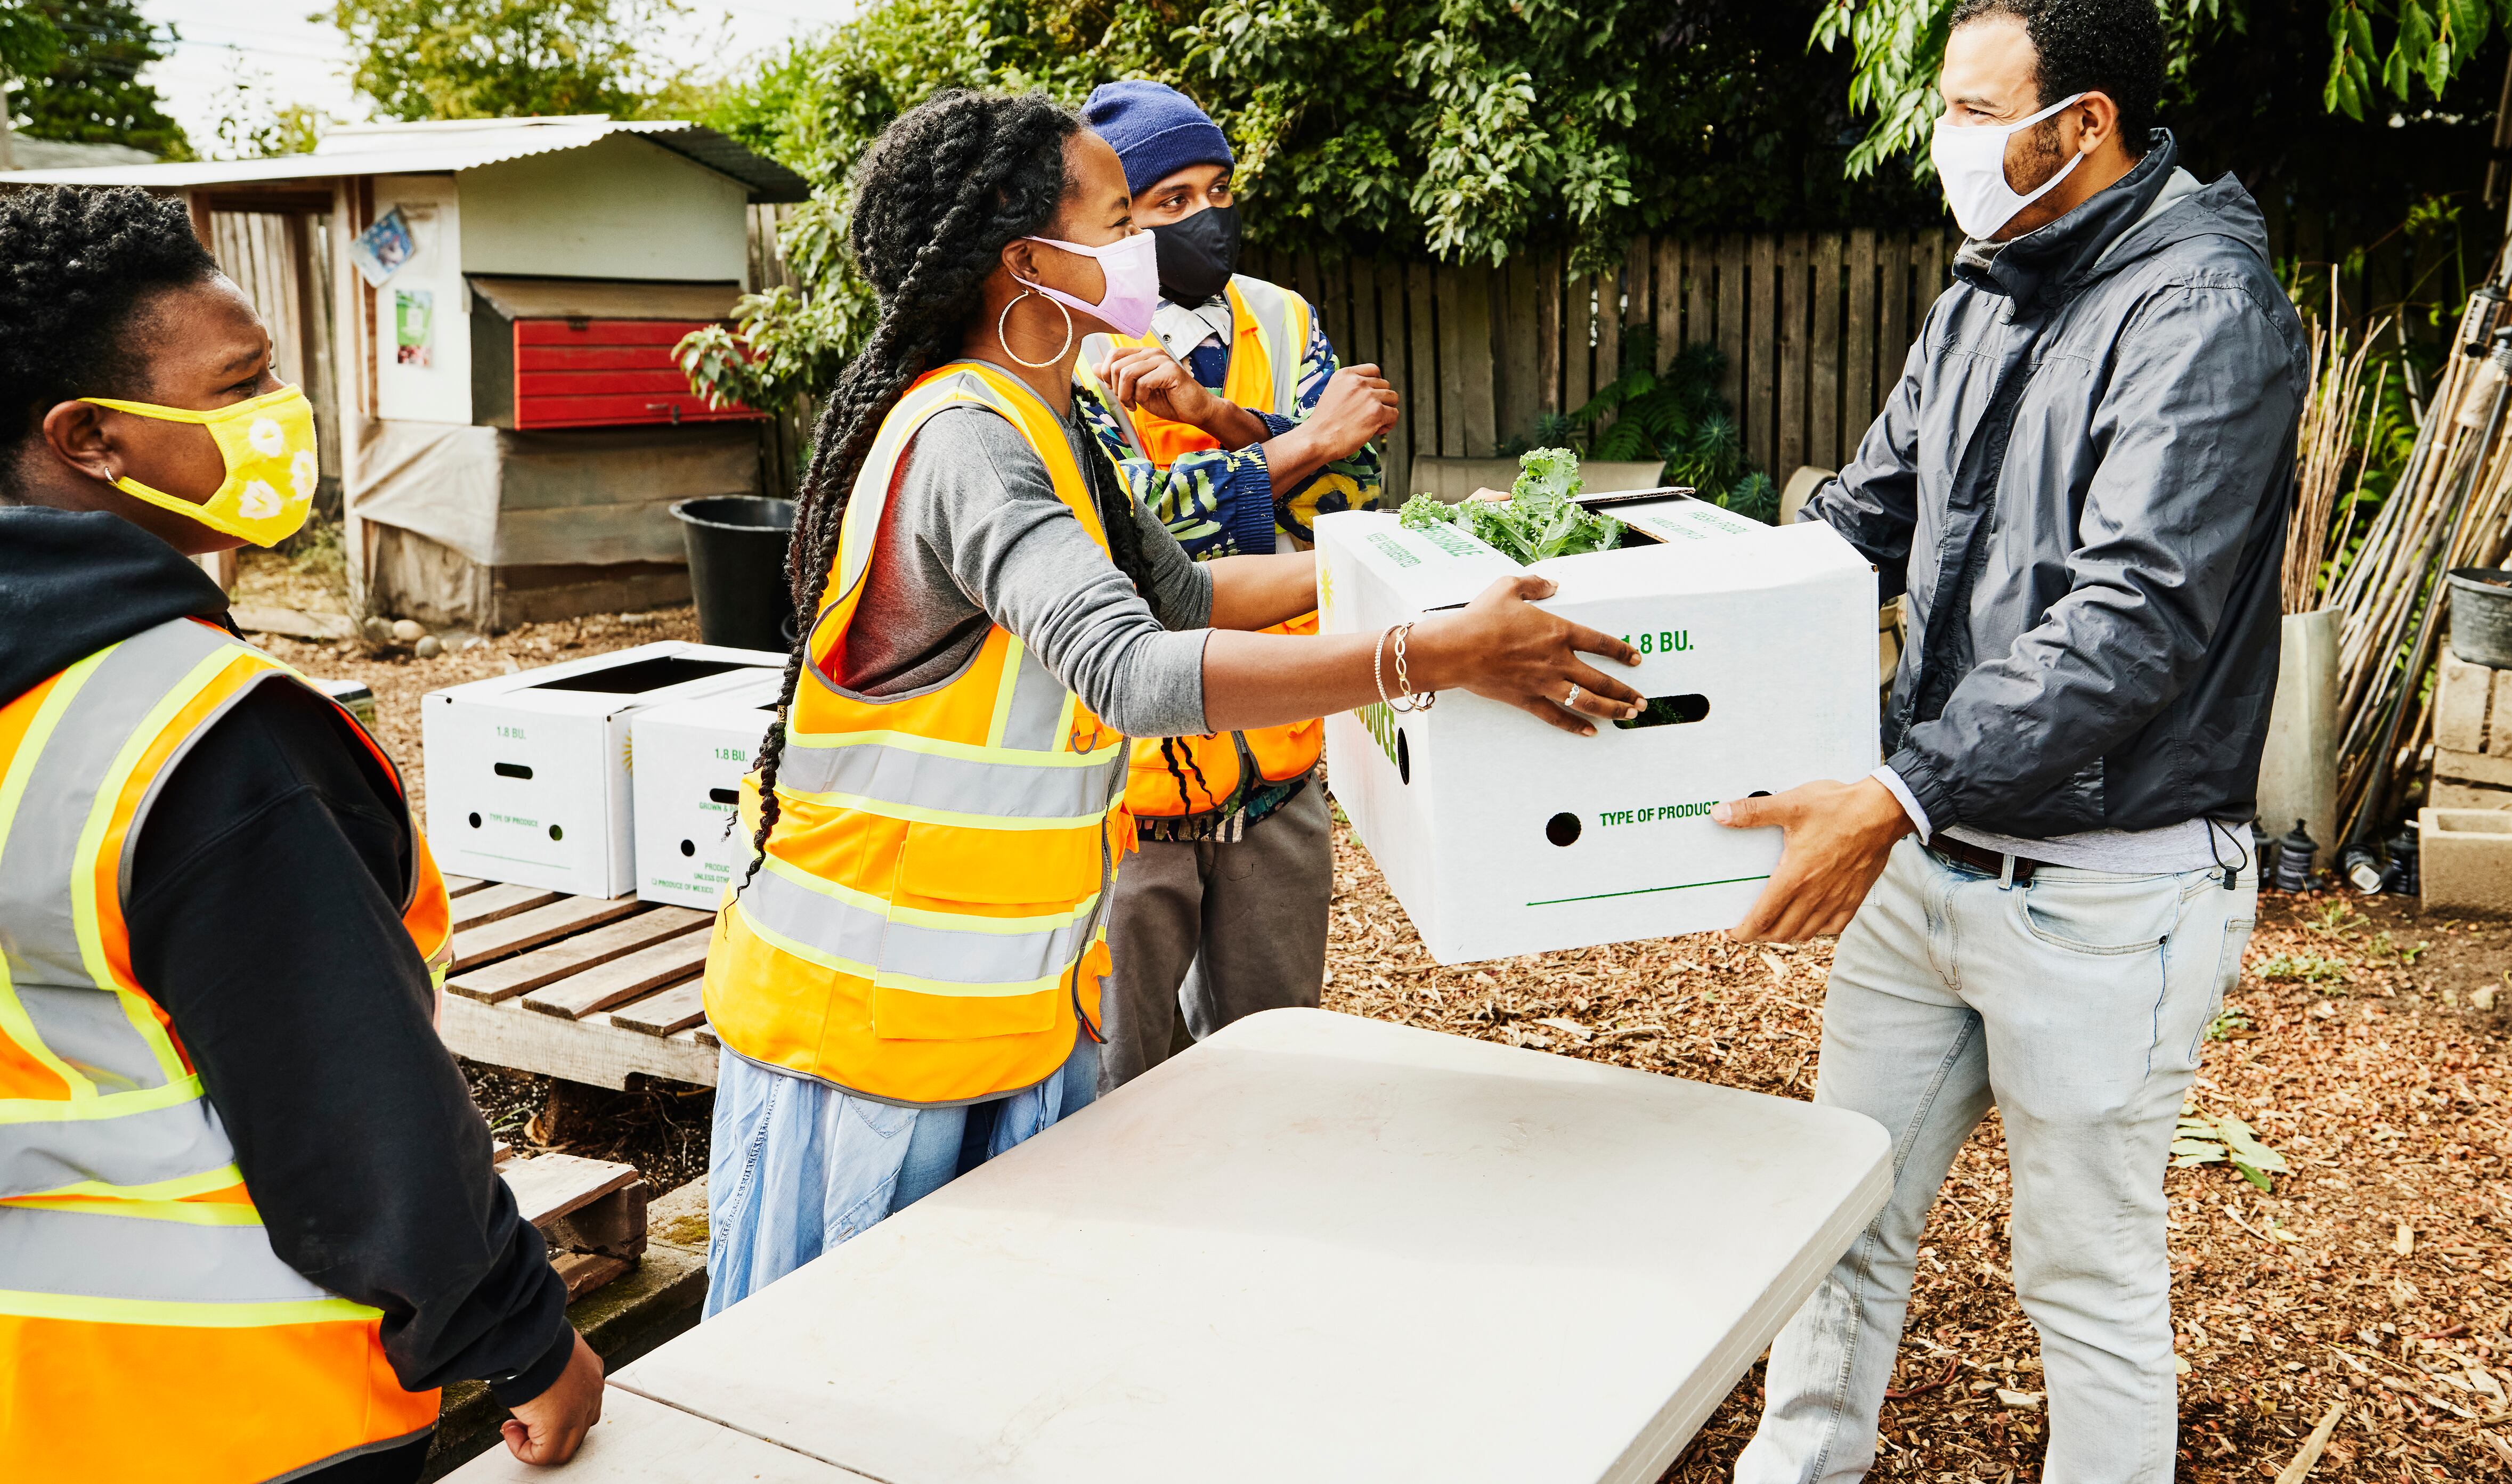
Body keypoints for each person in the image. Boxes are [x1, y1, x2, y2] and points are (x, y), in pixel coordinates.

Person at [698, 88, 1645, 1311]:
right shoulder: (963, 439)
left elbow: (1188, 595)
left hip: (997, 1017)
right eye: (1117, 217)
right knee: (827, 1369)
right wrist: (1433, 655)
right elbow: (1134, 669)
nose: (1151, 250)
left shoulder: (1048, 423)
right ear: (1028, 263)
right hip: (864, 1040)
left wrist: (1416, 564)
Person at [1719, 0, 2304, 1484]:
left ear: (2082, 121)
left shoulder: (2207, 311)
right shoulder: (1992, 278)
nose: (1948, 139)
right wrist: (1658, 605)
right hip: (1924, 865)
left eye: (1978, 111)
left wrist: (1898, 790)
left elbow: (2138, 616)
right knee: (1832, 1232)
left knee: (2086, 1283)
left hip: (2106, 898)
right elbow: (1858, 518)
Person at [0, 187, 603, 1482]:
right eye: (244, 381)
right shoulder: (195, 732)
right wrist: (526, 1338)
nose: (286, 410)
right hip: (230, 1400)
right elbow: (351, 1105)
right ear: (92, 436)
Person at [1067, 79, 1395, 1089]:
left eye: (1219, 187)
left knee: (1281, 1064)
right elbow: (1145, 539)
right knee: (1121, 1088)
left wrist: (1221, 420)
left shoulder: (1280, 316)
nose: (1207, 215)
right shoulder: (1071, 347)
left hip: (1279, 767)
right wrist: (1303, 441)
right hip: (1133, 793)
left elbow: (1354, 495)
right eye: (1169, 202)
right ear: (1119, 227)